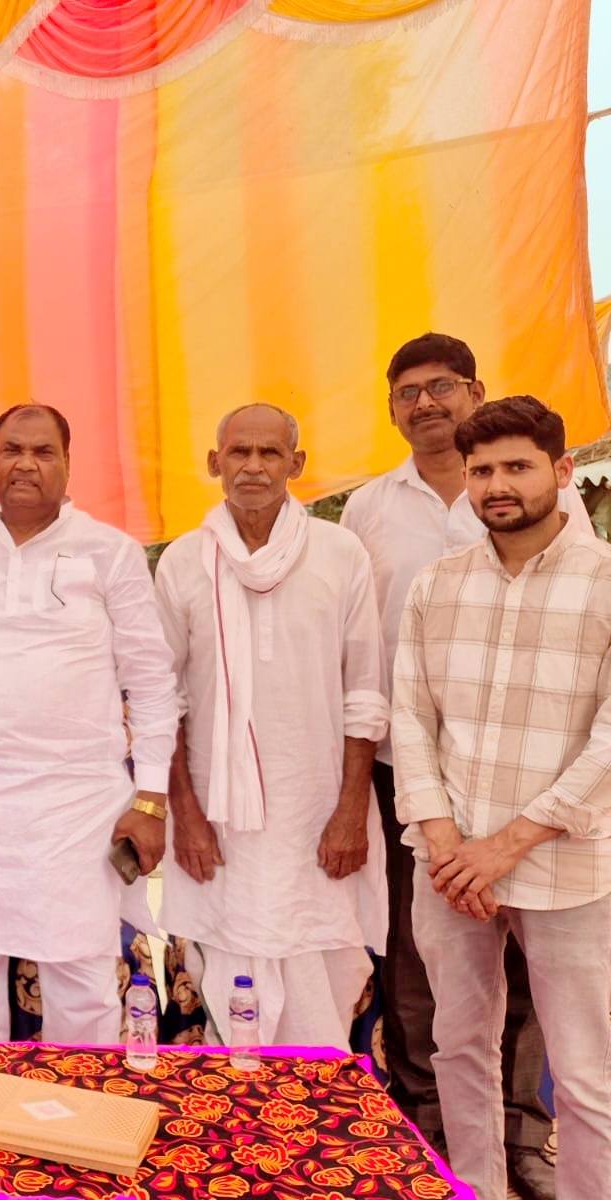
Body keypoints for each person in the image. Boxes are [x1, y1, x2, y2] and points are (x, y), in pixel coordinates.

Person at [341, 333, 560, 1190]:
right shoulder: (367, 509)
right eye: (408, 392)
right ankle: (426, 1139)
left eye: (441, 387)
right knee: (419, 961)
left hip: (526, 775)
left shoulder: (532, 493)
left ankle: (520, 1138)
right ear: (391, 409)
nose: (425, 403)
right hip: (412, 776)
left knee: (529, 962)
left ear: (475, 391)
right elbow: (360, 649)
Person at [0, 404, 178, 1042]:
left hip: (73, 809)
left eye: (43, 452)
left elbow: (153, 683)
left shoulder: (109, 552)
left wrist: (151, 801)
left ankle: (76, 1109)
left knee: (82, 989)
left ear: (68, 464)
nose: (26, 464)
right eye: (12, 449)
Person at [393, 395, 611, 1200]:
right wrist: (447, 840)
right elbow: (410, 717)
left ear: (562, 471)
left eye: (517, 466)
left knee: (585, 1073)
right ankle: (476, 1192)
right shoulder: (437, 585)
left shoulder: (605, 581)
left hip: (566, 866)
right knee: (457, 1050)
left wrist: (507, 844)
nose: (496, 485)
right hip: (449, 865)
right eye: (481, 470)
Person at [156, 404, 388, 1047]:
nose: (253, 466)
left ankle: (317, 1102)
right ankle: (244, 1104)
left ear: (296, 463)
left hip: (319, 814)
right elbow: (163, 698)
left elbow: (366, 691)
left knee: (325, 974)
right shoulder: (184, 561)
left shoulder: (340, 554)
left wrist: (350, 811)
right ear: (215, 463)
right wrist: (185, 813)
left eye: (269, 453)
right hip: (218, 825)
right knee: (229, 976)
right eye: (239, 452)